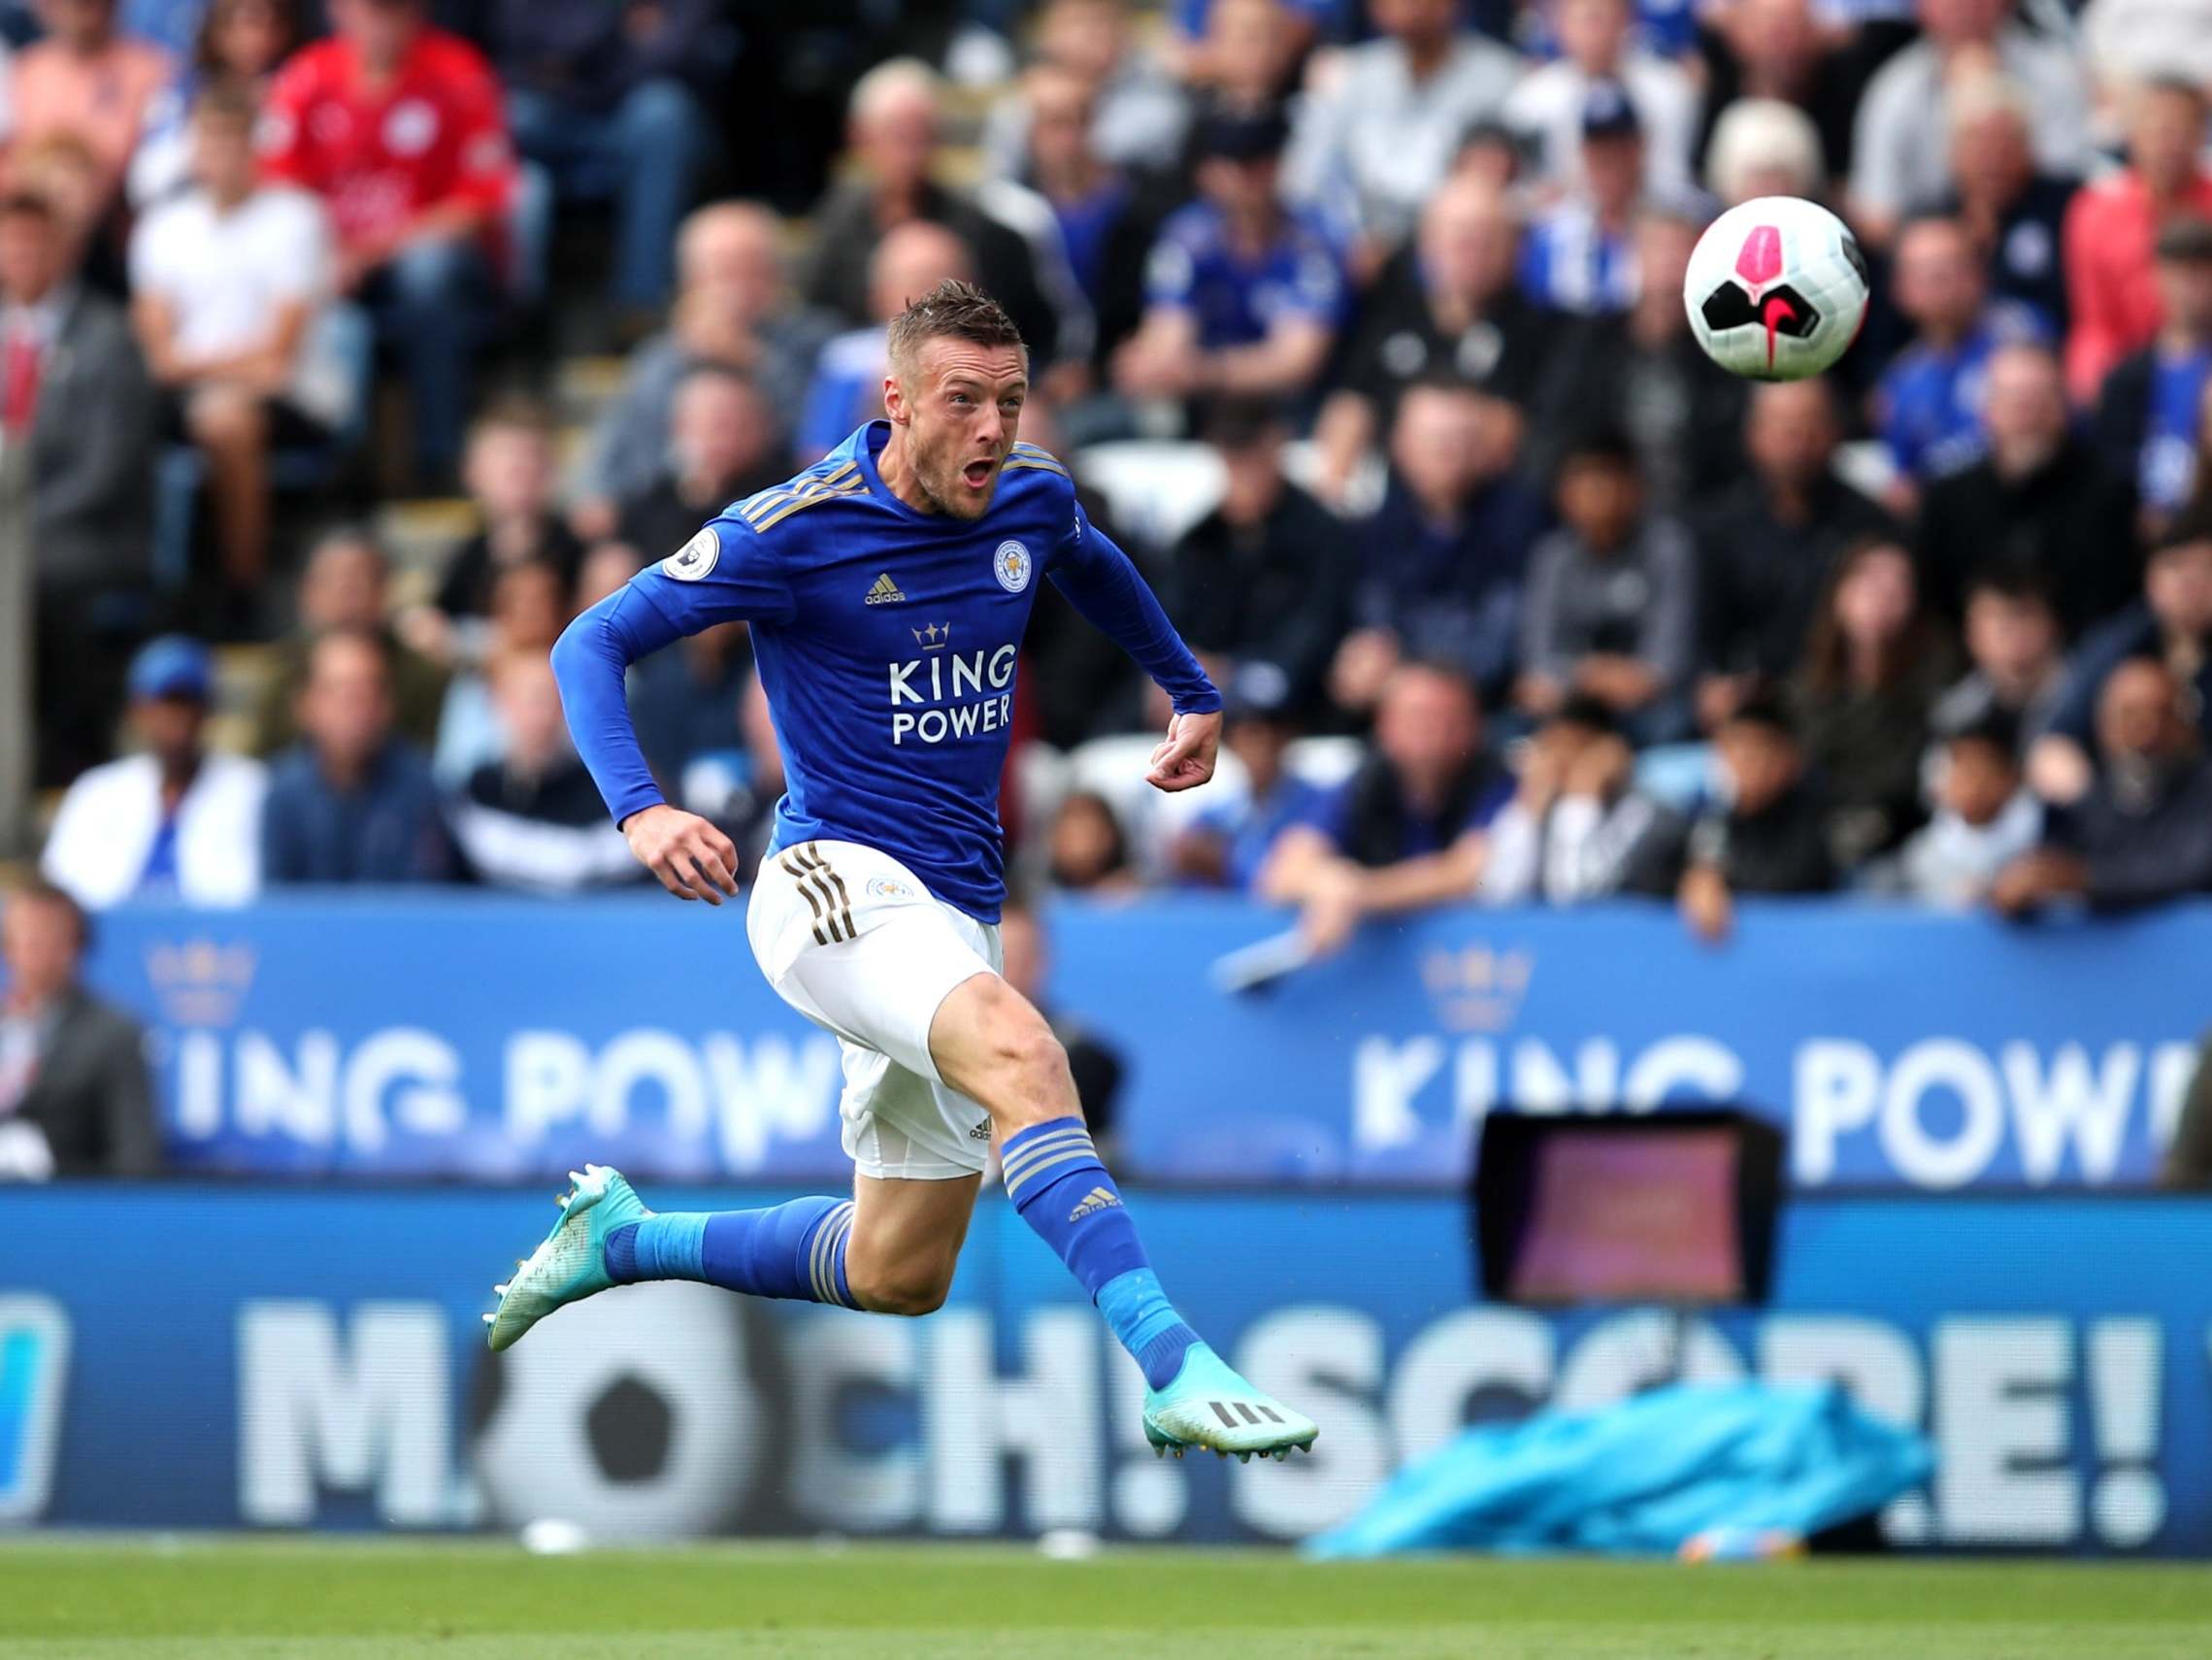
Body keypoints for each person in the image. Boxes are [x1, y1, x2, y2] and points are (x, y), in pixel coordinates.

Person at [513, 279, 1317, 1459]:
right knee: (1028, 1054)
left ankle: (620, 1241)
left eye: (1009, 400)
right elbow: (591, 641)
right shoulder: (794, 528)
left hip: (951, 913)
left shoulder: (1029, 493)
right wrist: (639, 813)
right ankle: (1173, 1361)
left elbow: (1085, 559)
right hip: (829, 883)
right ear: (895, 401)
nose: (992, 429)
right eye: (962, 402)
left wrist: (1189, 689)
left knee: (896, 1270)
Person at [260, 0, 517, 488]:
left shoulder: (457, 70)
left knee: (430, 274)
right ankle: (334, 476)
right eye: (370, 9)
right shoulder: (306, 76)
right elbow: (277, 188)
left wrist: (371, 252)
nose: (381, 20)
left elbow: (480, 201)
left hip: (423, 257)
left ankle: (439, 457)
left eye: (393, 9)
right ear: (337, 10)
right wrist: (325, 254)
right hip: (332, 259)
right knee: (295, 281)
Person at [130, 81, 346, 605]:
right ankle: (140, 586)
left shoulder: (298, 218)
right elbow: (157, 355)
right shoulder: (161, 227)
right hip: (194, 394)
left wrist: (194, 365)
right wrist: (210, 368)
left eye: (233, 138)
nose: (221, 153)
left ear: (255, 145)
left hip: (294, 399)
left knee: (224, 418)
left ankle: (239, 588)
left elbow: (278, 355)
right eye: (210, 139)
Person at [4, 187, 159, 788]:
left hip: (90, 538)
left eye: (32, 243)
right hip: (16, 531)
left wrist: (17, 532)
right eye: (9, 243)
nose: (19, 256)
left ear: (63, 249)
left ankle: (61, 750)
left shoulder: (106, 338)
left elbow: (105, 472)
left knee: (32, 579)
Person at [573, 202, 839, 532]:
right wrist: (596, 495)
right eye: (723, 273)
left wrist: (753, 358)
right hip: (673, 520)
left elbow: (822, 442)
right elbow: (616, 448)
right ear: (690, 283)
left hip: (780, 513)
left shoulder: (817, 342)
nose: (737, 288)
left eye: (751, 269)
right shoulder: (662, 357)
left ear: (776, 275)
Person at [800, 59, 1069, 373]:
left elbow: (1032, 330)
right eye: (897, 134)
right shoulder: (837, 231)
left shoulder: (986, 234)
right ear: (861, 138)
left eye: (922, 134)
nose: (911, 150)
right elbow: (818, 321)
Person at [1311, 177, 1547, 504]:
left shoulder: (1532, 327)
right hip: (1389, 499)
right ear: (1427, 242)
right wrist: (1331, 487)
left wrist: (1432, 432)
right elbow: (1353, 403)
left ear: (1513, 249)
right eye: (1460, 238)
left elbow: (1505, 434)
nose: (1472, 252)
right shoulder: (1390, 312)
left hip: (1485, 507)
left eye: (1487, 239)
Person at [1259, 661, 1509, 954]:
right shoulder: (1364, 783)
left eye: (1448, 718)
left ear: (1473, 725)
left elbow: (1470, 873)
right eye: (1418, 716)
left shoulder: (1497, 784)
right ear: (1385, 724)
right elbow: (1283, 871)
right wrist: (1329, 883)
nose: (1433, 731)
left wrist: (1359, 893)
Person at [494, 0, 716, 327]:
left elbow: (674, 53)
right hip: (548, 114)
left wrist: (575, 62)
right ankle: (518, 320)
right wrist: (616, 28)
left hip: (634, 116)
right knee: (512, 118)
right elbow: (514, 38)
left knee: (663, 113)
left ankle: (640, 307)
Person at [1333, 380, 1546, 715]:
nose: (1448, 453)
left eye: (1460, 439)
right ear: (1399, 444)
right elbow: (1369, 624)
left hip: (1487, 710)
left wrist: (1407, 677)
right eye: (1434, 440)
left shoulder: (1523, 523)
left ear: (1482, 447)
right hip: (1387, 709)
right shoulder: (1374, 530)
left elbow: (1501, 649)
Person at [1696, 379, 1897, 726]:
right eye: (1784, 427)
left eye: (1811, 425)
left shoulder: (1872, 525)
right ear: (1753, 435)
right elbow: (1704, 638)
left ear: (1835, 432)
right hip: (1752, 711)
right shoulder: (1719, 529)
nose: (1798, 441)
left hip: (1844, 707)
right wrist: (1715, 685)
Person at [1113, 107, 1344, 407]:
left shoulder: (1312, 243)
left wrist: (1206, 371)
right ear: (1206, 172)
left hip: (1287, 407)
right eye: (1232, 162)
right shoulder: (1187, 235)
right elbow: (1166, 336)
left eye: (1258, 162)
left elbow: (1296, 362)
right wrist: (1158, 362)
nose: (1245, 177)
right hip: (1199, 402)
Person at [1532, 201, 1747, 512]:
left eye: (1683, 251)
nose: (1671, 265)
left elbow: (1733, 456)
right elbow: (1557, 427)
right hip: (1602, 514)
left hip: (1698, 518)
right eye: (1659, 249)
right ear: (1634, 257)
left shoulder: (1724, 350)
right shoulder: (1591, 341)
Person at [1921, 341, 2138, 630]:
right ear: (1989, 411)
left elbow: (2115, 601)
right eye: (2015, 402)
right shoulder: (1948, 500)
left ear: (2064, 407)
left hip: (2084, 659)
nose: (2027, 417)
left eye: (2040, 401)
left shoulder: (2110, 494)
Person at [1280, 0, 1519, 261]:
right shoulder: (1352, 73)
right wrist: (1347, 238)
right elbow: (1306, 182)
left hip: (1454, 255)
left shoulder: (1502, 77)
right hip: (1358, 254)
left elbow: (1513, 191)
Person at [1157, 397, 1348, 717]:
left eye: (1250, 454)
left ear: (1276, 445)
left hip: (1293, 707)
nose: (1242, 469)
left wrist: (1234, 673)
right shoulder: (1200, 540)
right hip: (1200, 695)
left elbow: (1313, 636)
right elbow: (1170, 620)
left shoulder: (1323, 536)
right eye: (1232, 457)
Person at [40, 635, 264, 909]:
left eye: (187, 703)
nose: (175, 717)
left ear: (207, 710)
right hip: (113, 946)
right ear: (137, 711)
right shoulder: (95, 793)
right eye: (163, 703)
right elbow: (56, 897)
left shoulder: (254, 789)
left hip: (214, 947)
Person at [1847, 0, 2089, 249]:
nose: (1967, 8)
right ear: (1921, 7)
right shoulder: (1894, 90)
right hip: (1933, 244)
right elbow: (1875, 215)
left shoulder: (2054, 73)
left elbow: (2071, 179)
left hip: (2042, 232)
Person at [1994, 656, 2212, 913]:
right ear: (2102, 724)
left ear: (2187, 724)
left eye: (2162, 714)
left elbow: (2189, 869)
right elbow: (2044, 863)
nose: (2146, 731)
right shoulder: (2087, 798)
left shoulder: (2204, 788)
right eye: (2128, 715)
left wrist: (2083, 880)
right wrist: (2016, 885)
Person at [1518, 429, 1696, 741]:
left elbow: (1668, 661)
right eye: (1581, 483)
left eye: (1604, 481)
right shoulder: (1552, 557)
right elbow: (1538, 657)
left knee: (1674, 723)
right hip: (1570, 707)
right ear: (1563, 493)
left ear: (1635, 487)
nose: (1593, 496)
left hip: (1645, 709)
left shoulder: (1668, 550)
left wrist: (1584, 677)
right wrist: (1592, 676)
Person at [1792, 537, 1957, 867]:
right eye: (1869, 577)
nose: (1884, 591)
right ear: (1839, 591)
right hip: (1818, 837)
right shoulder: (1808, 681)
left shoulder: (1939, 674)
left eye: (1899, 581)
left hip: (1904, 843)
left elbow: (1915, 780)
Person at [2033, 516, 2212, 801]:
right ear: (2150, 578)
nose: (2189, 585)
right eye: (2175, 567)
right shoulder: (2120, 642)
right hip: (2121, 806)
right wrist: (2095, 806)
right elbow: (2054, 745)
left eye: (2204, 569)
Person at [261, 625, 454, 884]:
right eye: (340, 692)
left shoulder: (424, 789)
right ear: (307, 705)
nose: (356, 708)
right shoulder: (282, 792)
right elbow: (278, 906)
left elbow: (423, 904)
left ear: (388, 705)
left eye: (368, 691)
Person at [1875, 216, 2051, 496]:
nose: (1940, 282)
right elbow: (1903, 483)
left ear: (1980, 273)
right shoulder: (1901, 379)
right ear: (1900, 289)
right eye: (1925, 272)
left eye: (1952, 266)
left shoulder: (2022, 332)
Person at [2063, 79, 2212, 406]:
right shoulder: (2094, 212)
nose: (2168, 144)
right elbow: (2095, 322)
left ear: (2201, 134)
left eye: (2179, 130)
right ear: (2131, 135)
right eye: (2157, 131)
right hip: (2128, 365)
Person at [0, 880, 160, 1179]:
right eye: (26, 937)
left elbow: (137, 1159)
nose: (37, 949)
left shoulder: (115, 1034)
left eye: (50, 937)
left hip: (69, 1208)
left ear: (76, 946)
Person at [447, 650, 639, 894]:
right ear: (498, 703)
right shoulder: (478, 789)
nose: (544, 714)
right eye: (531, 700)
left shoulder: (605, 790)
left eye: (556, 699)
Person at [251, 527, 447, 756]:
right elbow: (264, 763)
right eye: (332, 579)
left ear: (385, 589)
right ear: (307, 593)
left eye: (359, 578)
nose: (346, 591)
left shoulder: (424, 678)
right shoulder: (284, 672)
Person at [797, 221, 976, 466]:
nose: (930, 298)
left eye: (943, 282)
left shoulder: (996, 359)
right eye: (916, 282)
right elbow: (818, 457)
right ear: (879, 294)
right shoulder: (848, 362)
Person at [1480, 695, 1686, 905]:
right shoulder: (1542, 807)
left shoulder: (1648, 814)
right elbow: (1499, 890)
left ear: (1612, 751)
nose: (1561, 760)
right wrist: (1528, 808)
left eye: (1575, 748)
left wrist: (1581, 799)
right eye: (1552, 747)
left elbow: (1575, 893)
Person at [423, 398, 583, 652]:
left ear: (553, 469)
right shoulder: (468, 558)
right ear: (472, 471)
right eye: (504, 454)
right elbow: (436, 622)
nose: (519, 467)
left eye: (532, 455)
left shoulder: (582, 556)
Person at [1924, 72, 2075, 336]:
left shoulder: (2066, 209)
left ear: (2029, 148)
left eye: (2005, 143)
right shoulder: (1933, 223)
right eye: (1979, 145)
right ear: (1952, 153)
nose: (1993, 158)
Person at [1677, 693, 1835, 943]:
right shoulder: (1710, 812)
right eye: (1736, 746)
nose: (1748, 761)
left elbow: (1788, 882)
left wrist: (1715, 880)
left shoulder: (1814, 817)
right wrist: (1697, 875)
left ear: (1792, 758)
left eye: (1762, 748)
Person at [1503, 0, 1698, 199]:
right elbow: (1526, 189)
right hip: (1563, 218)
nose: (1593, 31)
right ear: (1558, 24)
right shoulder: (1530, 101)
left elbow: (1673, 182)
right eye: (1583, 20)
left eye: (1601, 18)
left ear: (1627, 19)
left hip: (1648, 216)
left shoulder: (1669, 89)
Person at [2093, 216, 2212, 533]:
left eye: (2200, 275)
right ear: (2156, 279)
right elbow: (2111, 468)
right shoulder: (2125, 378)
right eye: (2177, 274)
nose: (2189, 289)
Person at [127, 0, 300, 211]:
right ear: (219, 29)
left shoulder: (297, 84)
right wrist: (207, 146)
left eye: (273, 22)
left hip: (269, 214)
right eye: (250, 21)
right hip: (192, 213)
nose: (261, 35)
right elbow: (145, 182)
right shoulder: (183, 91)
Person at [995, 887, 1126, 1157]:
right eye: (1005, 955)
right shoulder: (939, 1047)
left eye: (1027, 955)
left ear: (1045, 960)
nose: (1016, 969)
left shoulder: (1085, 1055)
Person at [11, 0, 173, 209]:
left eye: (89, 4)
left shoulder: (154, 69)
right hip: (35, 212)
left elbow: (154, 161)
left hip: (118, 214)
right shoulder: (28, 68)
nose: (80, 9)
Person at [616, 365, 785, 566]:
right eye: (719, 425)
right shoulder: (655, 498)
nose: (731, 437)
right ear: (680, 427)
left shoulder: (781, 492)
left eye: (742, 423)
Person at [1168, 686, 1332, 890]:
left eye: (1275, 731)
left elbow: (1288, 881)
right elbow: (1187, 891)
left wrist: (1225, 863)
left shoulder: (1320, 804)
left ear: (1290, 736)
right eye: (1250, 734)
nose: (1264, 743)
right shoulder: (1212, 816)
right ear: (1230, 741)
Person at [1876, 709, 2040, 907]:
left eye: (1979, 771)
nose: (1970, 785)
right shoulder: (1919, 857)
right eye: (1958, 771)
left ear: (2010, 777)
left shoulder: (2049, 840)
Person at [432, 555, 573, 785]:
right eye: (518, 602)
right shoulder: (473, 683)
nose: (530, 613)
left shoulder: (587, 676)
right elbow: (453, 767)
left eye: (540, 602)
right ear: (499, 611)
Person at [1518, 82, 1644, 316]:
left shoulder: (1668, 229)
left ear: (1639, 148)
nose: (1609, 159)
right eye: (1598, 148)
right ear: (1583, 154)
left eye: (1620, 147)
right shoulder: (1552, 236)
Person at [1927, 566, 2069, 754]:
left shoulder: (2088, 695)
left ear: (2051, 623)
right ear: (1970, 634)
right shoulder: (1954, 716)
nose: (2008, 629)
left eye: (2022, 613)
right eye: (1993, 616)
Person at [1045, 788, 1142, 893]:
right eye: (1066, 834)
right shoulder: (1039, 900)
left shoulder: (1146, 899)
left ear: (1108, 837)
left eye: (1084, 831)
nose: (1074, 844)